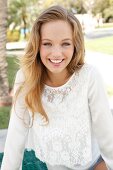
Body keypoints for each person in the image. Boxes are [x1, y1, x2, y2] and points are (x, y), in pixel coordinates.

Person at [1, 5, 113, 170]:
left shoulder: (89, 77)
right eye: (47, 44)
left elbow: (107, 136)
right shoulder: (26, 77)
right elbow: (15, 136)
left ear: (75, 45)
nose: (56, 53)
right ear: (37, 45)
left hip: (92, 165)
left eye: (65, 44)